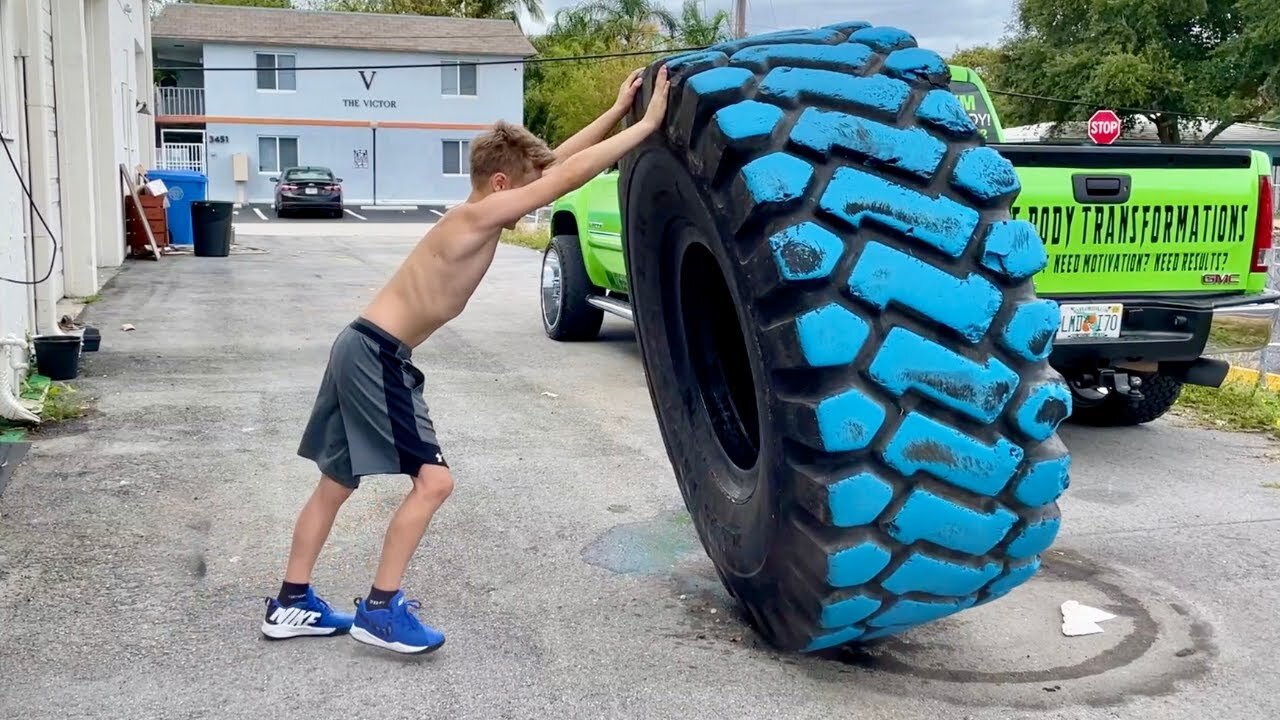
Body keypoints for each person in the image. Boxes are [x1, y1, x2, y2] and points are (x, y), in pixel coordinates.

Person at [258, 65, 672, 655]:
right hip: (376, 354)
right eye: (524, 187)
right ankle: (381, 609)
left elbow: (555, 166)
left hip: (361, 344)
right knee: (434, 481)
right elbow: (563, 179)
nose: (535, 193)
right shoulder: (472, 218)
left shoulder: (480, 206)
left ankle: (291, 603)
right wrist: (650, 124)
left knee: (334, 483)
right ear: (501, 183)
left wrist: (615, 110)